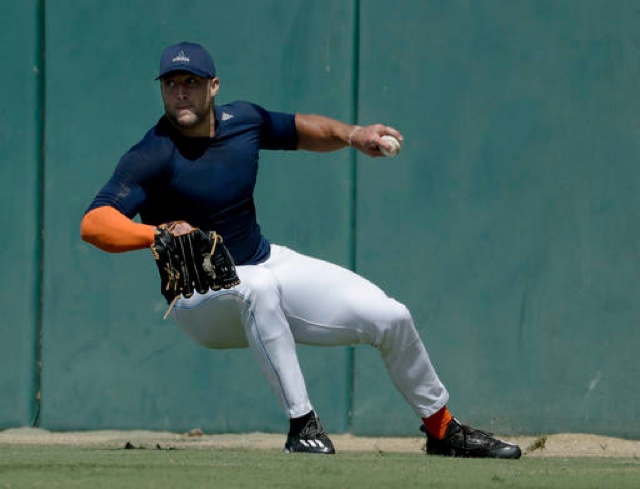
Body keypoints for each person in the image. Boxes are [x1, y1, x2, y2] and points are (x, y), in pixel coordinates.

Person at [80, 41, 522, 459]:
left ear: (213, 86)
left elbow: (298, 129)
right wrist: (156, 234)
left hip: (262, 262)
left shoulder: (244, 122)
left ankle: (443, 429)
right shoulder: (152, 153)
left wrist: (353, 135)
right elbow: (94, 223)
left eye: (191, 82)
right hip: (199, 298)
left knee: (391, 316)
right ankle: (303, 426)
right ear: (160, 89)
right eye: (171, 83)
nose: (181, 92)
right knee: (259, 287)